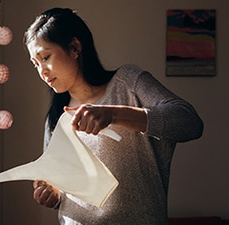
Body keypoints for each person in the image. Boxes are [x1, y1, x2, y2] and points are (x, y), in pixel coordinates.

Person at [23, 7, 203, 225]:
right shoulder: (55, 117)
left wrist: (112, 114)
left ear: (75, 47)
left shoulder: (128, 82)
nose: (42, 71)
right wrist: (53, 193)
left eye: (46, 57)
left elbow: (190, 122)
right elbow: (61, 188)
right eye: (35, 64)